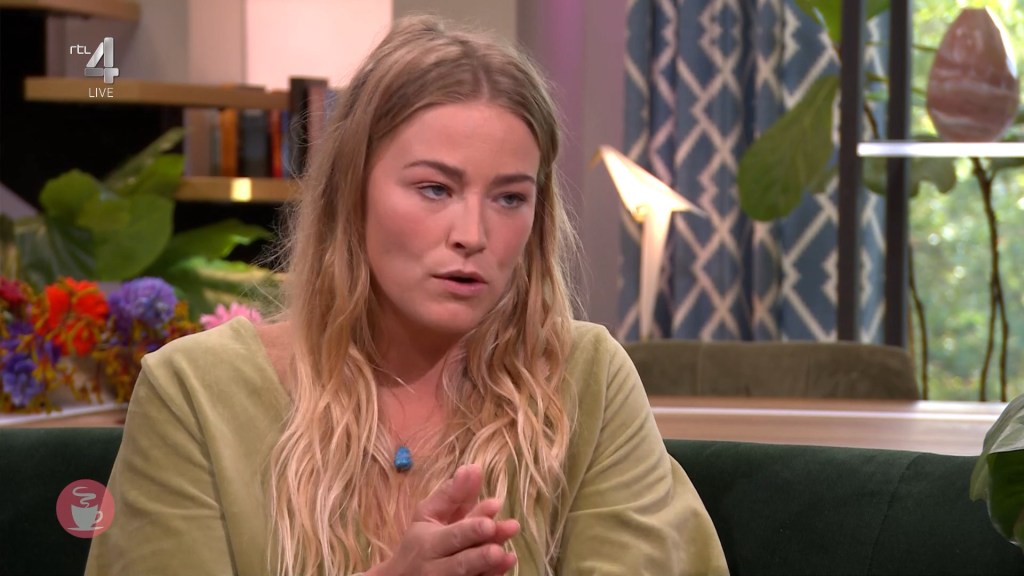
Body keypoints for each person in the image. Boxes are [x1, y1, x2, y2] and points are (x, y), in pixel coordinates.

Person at [85, 15, 729, 576]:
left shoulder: (587, 381)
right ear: (352, 193)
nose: (473, 234)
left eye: (510, 198)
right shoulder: (195, 395)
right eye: (434, 189)